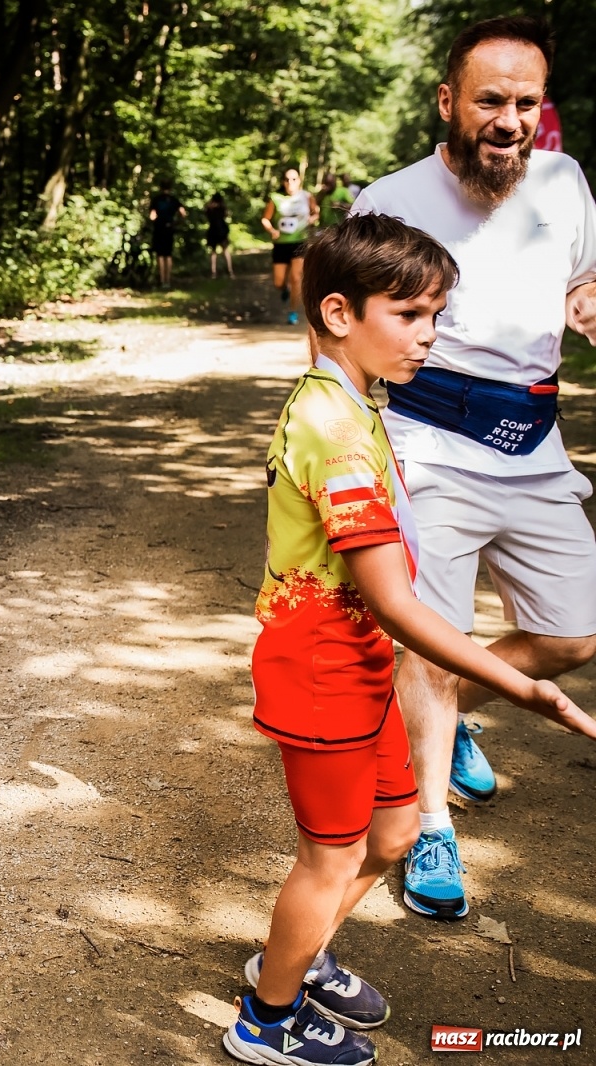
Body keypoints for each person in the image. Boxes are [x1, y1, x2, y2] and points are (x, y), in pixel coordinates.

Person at [229, 214, 595, 1066]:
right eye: (410, 315)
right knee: (330, 857)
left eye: (436, 315)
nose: (430, 336)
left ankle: (299, 954)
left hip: (360, 666)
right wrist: (524, 685)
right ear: (339, 313)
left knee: (393, 834)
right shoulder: (334, 432)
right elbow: (396, 603)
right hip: (319, 668)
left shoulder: (353, 398)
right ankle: (266, 1017)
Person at [350, 15, 596, 922]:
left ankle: (454, 706)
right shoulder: (392, 198)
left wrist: (588, 301)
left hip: (535, 443)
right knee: (426, 637)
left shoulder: (566, 181)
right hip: (431, 444)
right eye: (490, 100)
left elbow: (582, 276)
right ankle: (429, 824)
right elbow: (333, 312)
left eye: (526, 103)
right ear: (448, 101)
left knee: (575, 634)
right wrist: (331, 418)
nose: (510, 119)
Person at [261, 168, 318, 325]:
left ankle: (293, 312)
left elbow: (315, 212)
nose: (290, 182)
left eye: (294, 179)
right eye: (287, 179)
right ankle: (285, 289)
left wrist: (312, 219)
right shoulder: (275, 198)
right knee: (278, 283)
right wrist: (272, 230)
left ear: (299, 180)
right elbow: (265, 219)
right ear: (283, 182)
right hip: (281, 244)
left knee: (296, 277)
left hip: (300, 242)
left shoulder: (306, 197)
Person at [148, 180, 185, 288]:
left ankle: (162, 279)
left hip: (159, 229)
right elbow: (183, 213)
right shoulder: (174, 200)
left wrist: (155, 221)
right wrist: (176, 223)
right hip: (170, 229)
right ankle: (168, 281)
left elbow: (152, 216)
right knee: (168, 255)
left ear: (160, 188)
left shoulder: (156, 200)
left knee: (160, 255)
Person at [204, 192, 233, 279]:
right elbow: (226, 215)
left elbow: (206, 215)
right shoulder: (222, 207)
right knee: (225, 251)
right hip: (222, 230)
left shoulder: (209, 208)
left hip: (213, 231)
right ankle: (230, 271)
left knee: (213, 252)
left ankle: (213, 272)